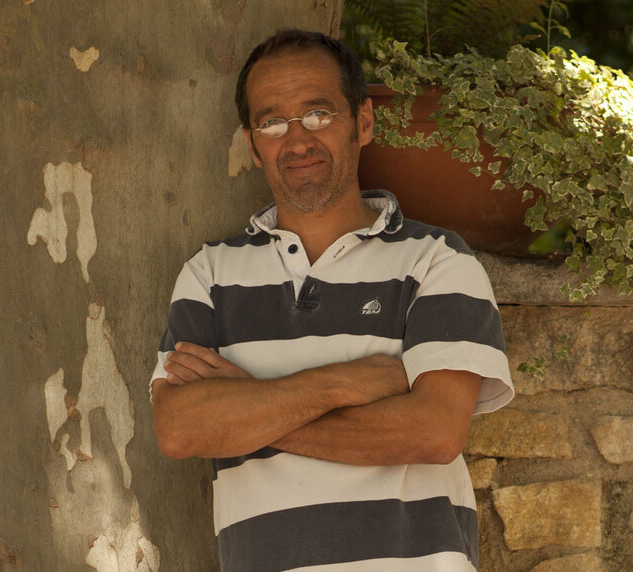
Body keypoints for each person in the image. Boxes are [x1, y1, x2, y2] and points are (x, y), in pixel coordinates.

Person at [150, 29, 514, 572]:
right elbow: (180, 429)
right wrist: (344, 382)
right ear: (252, 144)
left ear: (363, 122)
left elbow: (434, 432)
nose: (298, 140)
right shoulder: (210, 274)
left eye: (318, 113)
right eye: (272, 121)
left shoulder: (437, 261)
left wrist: (249, 409)